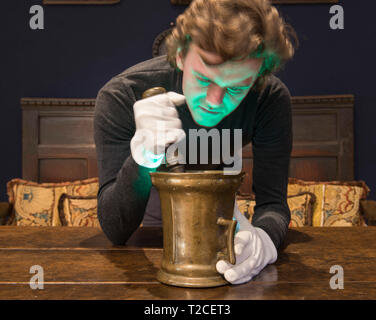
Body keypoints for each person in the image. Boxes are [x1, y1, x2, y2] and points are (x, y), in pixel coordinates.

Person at [94, 0, 297, 284]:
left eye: (237, 87)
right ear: (179, 56)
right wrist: (142, 157)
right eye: (203, 78)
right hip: (149, 244)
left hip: (227, 241)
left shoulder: (269, 99)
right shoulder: (121, 95)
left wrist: (264, 240)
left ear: (258, 77)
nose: (215, 101)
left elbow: (273, 205)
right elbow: (115, 230)